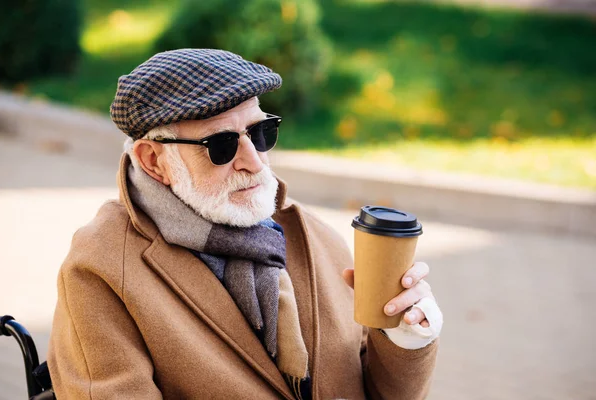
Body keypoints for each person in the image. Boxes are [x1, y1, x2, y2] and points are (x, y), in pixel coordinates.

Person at [47, 48, 443, 399]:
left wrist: (403, 333)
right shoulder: (99, 269)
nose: (253, 161)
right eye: (220, 145)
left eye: (260, 132)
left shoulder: (311, 235)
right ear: (153, 161)